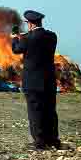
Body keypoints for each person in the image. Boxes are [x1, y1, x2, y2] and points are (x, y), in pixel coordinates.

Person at [11, 10, 60, 150]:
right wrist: (23, 37)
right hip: (49, 80)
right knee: (50, 110)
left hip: (32, 81)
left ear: (30, 23)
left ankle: (40, 142)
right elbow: (36, 42)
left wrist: (14, 38)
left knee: (35, 111)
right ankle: (53, 140)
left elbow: (16, 50)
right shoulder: (52, 36)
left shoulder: (27, 38)